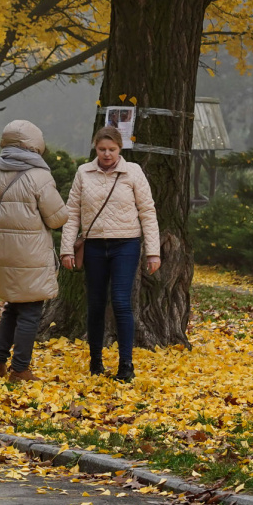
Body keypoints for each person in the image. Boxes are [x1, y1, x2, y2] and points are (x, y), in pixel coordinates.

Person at [60, 126, 161, 382]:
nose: (107, 154)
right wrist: (66, 249)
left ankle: (126, 365)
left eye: (112, 150)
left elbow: (148, 212)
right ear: (95, 148)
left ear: (120, 149)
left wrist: (153, 253)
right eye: (102, 149)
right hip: (94, 245)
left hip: (125, 244)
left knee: (120, 301)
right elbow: (72, 213)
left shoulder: (133, 172)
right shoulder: (84, 172)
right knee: (95, 303)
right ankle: (95, 361)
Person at [0, 121, 68, 382]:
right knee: (30, 311)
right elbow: (57, 218)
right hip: (29, 252)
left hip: (2, 250)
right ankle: (20, 369)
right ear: (34, 145)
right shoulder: (39, 175)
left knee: (12, 308)